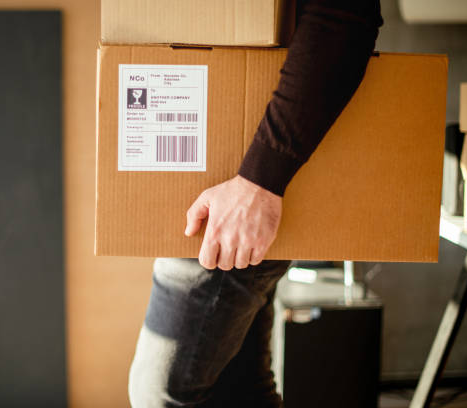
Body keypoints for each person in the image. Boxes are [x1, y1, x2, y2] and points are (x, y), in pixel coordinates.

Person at [129, 0, 383, 406]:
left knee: (162, 391)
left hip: (245, 193)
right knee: (238, 387)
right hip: (223, 183)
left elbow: (345, 13)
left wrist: (259, 182)